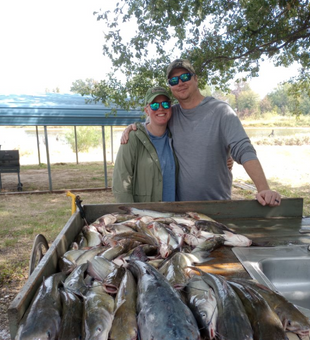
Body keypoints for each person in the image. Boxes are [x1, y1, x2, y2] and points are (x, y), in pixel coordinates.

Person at [121, 59, 281, 207]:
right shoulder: (173, 114)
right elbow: (154, 121)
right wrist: (134, 127)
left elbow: (243, 148)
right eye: (174, 80)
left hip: (217, 207)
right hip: (182, 211)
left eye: (185, 77)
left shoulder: (221, 111)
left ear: (195, 78)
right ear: (170, 86)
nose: (180, 83)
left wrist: (263, 188)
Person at [112, 86, 178, 202]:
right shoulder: (132, 137)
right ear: (146, 110)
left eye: (165, 104)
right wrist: (134, 216)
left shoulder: (176, 136)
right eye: (154, 105)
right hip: (145, 217)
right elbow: (120, 186)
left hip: (172, 215)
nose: (161, 108)